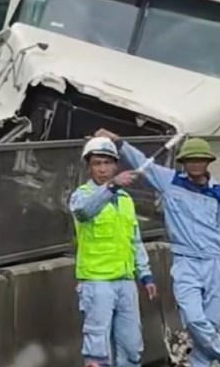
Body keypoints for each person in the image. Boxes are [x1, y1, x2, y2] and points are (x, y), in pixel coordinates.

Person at [95, 129, 220, 367]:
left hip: (214, 261)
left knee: (213, 323)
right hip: (185, 260)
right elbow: (141, 163)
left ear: (208, 162)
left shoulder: (219, 192)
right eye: (190, 160)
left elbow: (219, 226)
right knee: (194, 319)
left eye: (200, 160)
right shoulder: (169, 180)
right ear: (183, 162)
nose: (195, 164)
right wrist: (118, 141)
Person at [70, 137, 158, 367]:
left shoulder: (126, 200)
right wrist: (111, 186)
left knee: (131, 347)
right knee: (97, 351)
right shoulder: (82, 195)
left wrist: (145, 274)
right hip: (97, 282)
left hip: (126, 281)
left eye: (107, 163)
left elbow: (135, 240)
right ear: (89, 167)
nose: (102, 168)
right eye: (97, 163)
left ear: (115, 165)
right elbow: (83, 212)